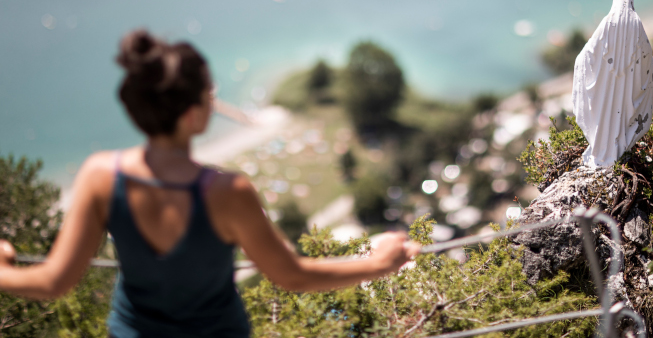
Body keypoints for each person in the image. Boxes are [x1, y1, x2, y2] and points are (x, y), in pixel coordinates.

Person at [0, 30, 421, 337]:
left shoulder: (99, 176)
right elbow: (291, 276)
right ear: (191, 114)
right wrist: (381, 260)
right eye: (210, 92)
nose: (215, 99)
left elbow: (53, 282)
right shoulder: (226, 192)